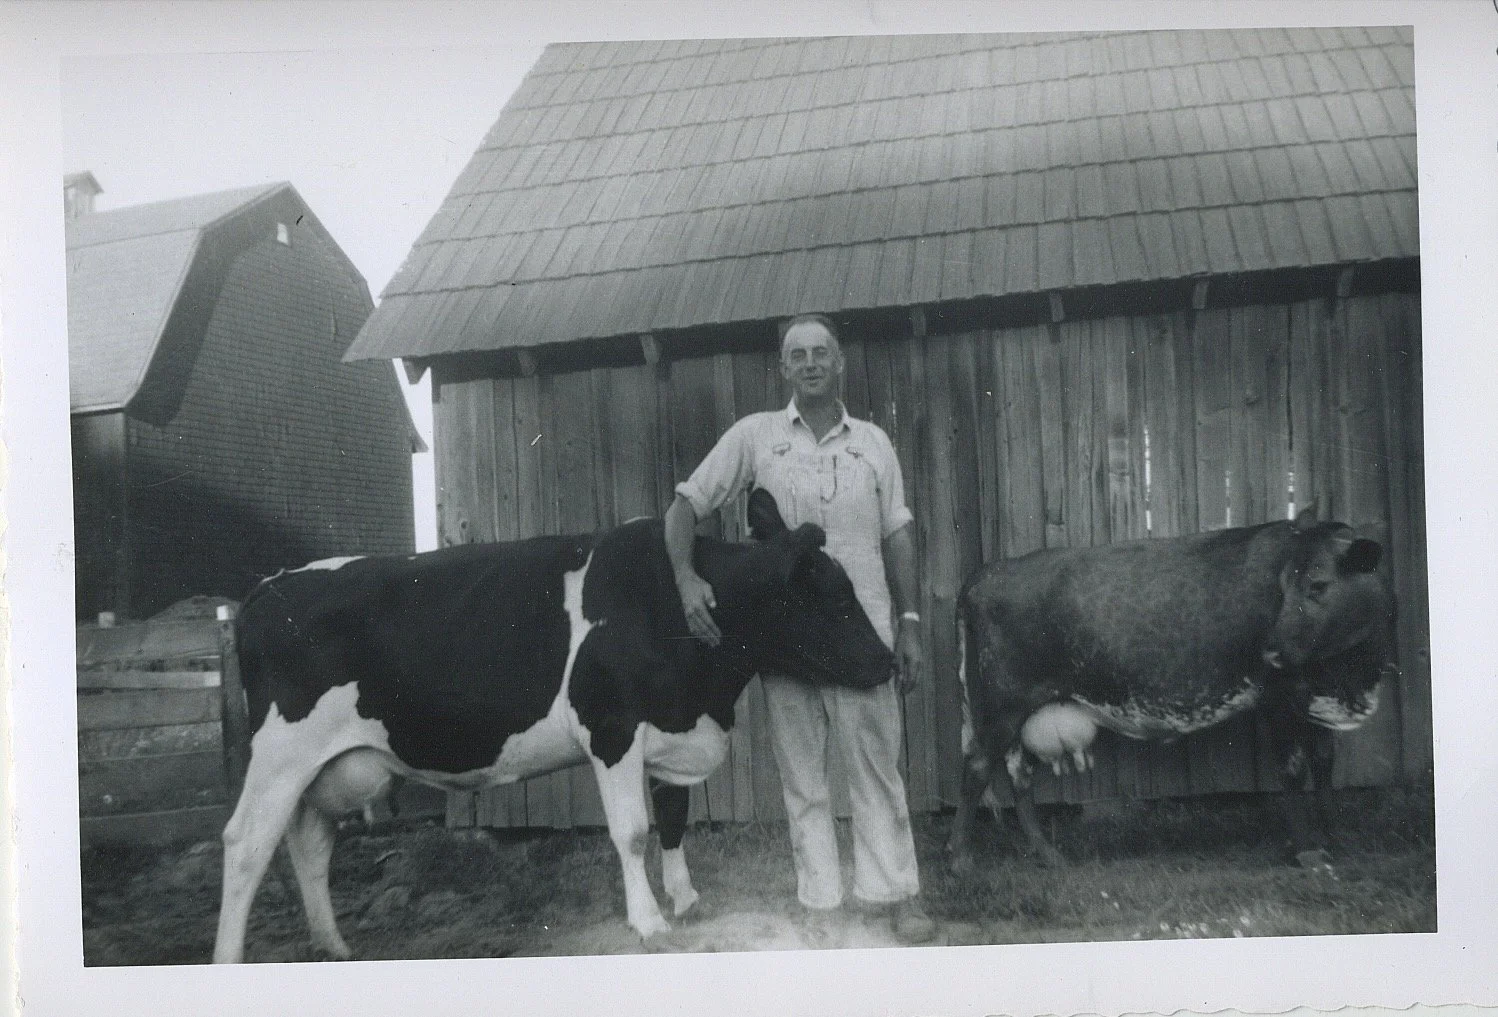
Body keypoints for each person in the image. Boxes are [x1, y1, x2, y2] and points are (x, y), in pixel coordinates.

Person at [664, 312, 936, 945]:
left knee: (875, 767)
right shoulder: (757, 437)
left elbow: (897, 531)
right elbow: (685, 504)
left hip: (860, 630)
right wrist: (684, 580)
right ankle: (820, 903)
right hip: (784, 636)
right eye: (798, 354)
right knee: (803, 777)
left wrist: (911, 620)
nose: (811, 362)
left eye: (821, 352)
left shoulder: (872, 443)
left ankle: (894, 894)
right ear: (783, 368)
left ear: (839, 363)